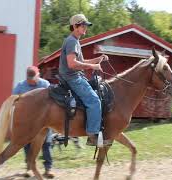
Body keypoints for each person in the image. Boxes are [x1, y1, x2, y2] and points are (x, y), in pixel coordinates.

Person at [58, 14, 108, 146]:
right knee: (94, 100)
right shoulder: (72, 41)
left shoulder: (75, 41)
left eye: (86, 25)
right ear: (75, 26)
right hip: (72, 78)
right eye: (83, 25)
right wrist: (93, 66)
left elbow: (81, 61)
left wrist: (97, 60)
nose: (86, 27)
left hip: (75, 76)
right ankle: (93, 135)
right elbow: (72, 64)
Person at [12, 66, 55, 178]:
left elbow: (54, 101)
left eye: (33, 78)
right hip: (28, 122)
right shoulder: (21, 86)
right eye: (29, 79)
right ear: (26, 77)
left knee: (47, 143)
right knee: (27, 144)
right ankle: (30, 168)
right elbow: (13, 100)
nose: (31, 81)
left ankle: (48, 169)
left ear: (38, 75)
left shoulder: (45, 84)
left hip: (45, 120)